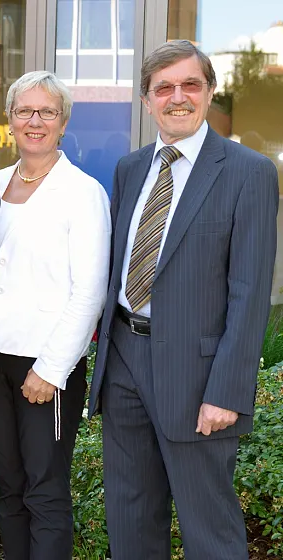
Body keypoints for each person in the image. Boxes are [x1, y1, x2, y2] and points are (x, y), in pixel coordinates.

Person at [89, 40, 279, 560]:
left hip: (199, 379)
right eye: (164, 87)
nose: (178, 97)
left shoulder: (249, 173)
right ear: (147, 99)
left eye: (190, 85)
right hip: (124, 358)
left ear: (210, 92)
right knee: (130, 519)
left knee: (208, 529)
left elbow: (249, 292)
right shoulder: (130, 169)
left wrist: (228, 390)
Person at [0, 70, 110, 560]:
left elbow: (89, 292)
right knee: (9, 486)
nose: (35, 121)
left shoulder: (83, 192)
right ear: (9, 120)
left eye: (47, 112)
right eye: (25, 111)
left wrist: (51, 370)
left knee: (44, 489)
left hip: (45, 364)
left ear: (64, 121)